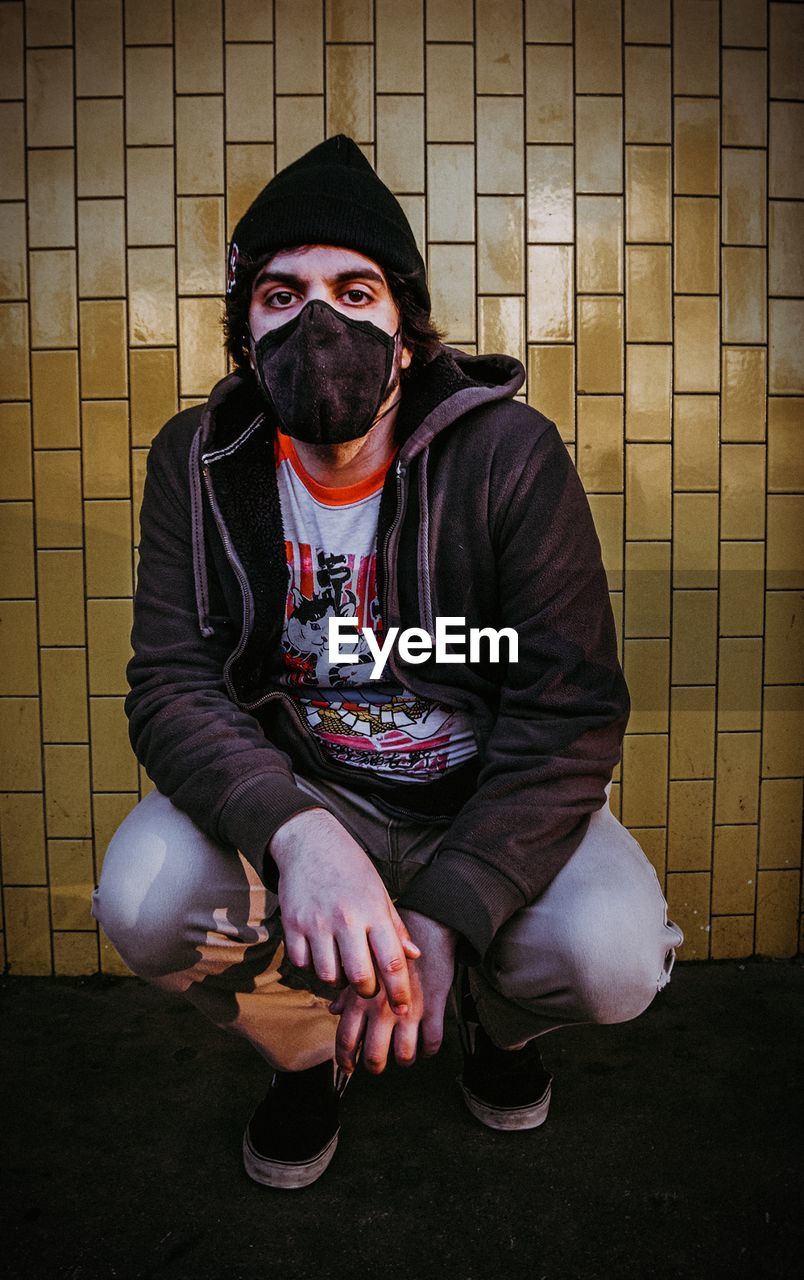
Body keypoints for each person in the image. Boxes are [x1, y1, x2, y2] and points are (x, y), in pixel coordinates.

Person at [92, 135, 684, 1191]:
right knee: (144, 894)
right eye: (281, 294)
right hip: (314, 787)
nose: (319, 322)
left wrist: (452, 909)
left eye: (354, 289)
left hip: (477, 794)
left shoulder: (510, 456)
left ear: (404, 334)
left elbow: (571, 710)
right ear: (246, 333)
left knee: (614, 951)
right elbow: (171, 682)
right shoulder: (194, 458)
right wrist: (298, 831)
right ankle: (309, 1051)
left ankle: (494, 1030)